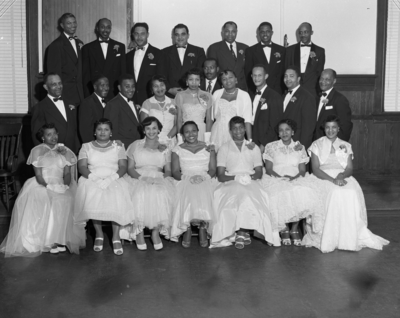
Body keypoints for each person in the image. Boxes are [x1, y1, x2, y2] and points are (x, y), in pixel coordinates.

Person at [303, 115, 389, 253]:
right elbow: (316, 169)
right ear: (324, 129)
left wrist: (341, 176)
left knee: (351, 192)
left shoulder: (345, 145)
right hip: (322, 177)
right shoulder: (316, 145)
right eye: (327, 127)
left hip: (342, 175)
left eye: (334, 128)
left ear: (338, 129)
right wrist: (333, 180)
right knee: (335, 192)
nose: (330, 131)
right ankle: (330, 236)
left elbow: (349, 168)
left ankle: (349, 237)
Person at [0, 124, 84, 257]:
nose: (53, 137)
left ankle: (60, 239)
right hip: (42, 183)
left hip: (60, 182)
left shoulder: (64, 150)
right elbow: (38, 175)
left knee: (66, 198)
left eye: (54, 133)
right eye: (49, 134)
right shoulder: (37, 151)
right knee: (48, 199)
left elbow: (67, 174)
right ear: (43, 137)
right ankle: (48, 241)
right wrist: (48, 186)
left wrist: (66, 185)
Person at [210, 116, 279, 249]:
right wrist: (235, 178)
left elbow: (259, 171)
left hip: (250, 179)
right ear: (230, 131)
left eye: (241, 128)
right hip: (230, 180)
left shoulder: (253, 148)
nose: (238, 131)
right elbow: (220, 175)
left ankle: (243, 231)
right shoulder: (224, 148)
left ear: (245, 129)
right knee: (234, 199)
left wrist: (250, 178)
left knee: (251, 197)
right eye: (234, 129)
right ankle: (239, 231)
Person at [74, 118, 135, 256]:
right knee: (92, 193)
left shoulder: (118, 146)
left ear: (111, 132)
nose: (103, 132)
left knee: (117, 194)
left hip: (113, 177)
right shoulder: (86, 146)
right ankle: (99, 234)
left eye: (106, 129)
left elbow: (123, 166)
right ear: (94, 132)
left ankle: (115, 236)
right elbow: (82, 166)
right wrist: (94, 178)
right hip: (92, 177)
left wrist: (111, 179)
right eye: (99, 129)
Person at [262, 119, 321, 246]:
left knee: (302, 192)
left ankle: (294, 229)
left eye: (287, 130)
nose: (284, 133)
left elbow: (302, 170)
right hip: (275, 178)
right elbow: (268, 169)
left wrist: (294, 178)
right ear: (278, 133)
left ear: (292, 132)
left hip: (296, 177)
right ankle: (283, 228)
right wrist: (281, 178)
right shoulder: (271, 146)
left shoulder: (299, 147)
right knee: (279, 192)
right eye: (281, 130)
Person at [119, 117, 175, 251]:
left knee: (160, 192)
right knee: (140, 193)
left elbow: (168, 170)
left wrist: (161, 180)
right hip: (138, 176)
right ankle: (139, 232)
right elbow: (130, 168)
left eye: (154, 128)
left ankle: (155, 232)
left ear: (159, 129)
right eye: (148, 128)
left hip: (158, 175)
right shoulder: (135, 145)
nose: (151, 131)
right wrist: (142, 179)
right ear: (143, 130)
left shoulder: (165, 147)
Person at [170, 121, 217, 247]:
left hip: (204, 177)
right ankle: (187, 228)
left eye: (194, 131)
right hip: (185, 178)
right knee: (187, 191)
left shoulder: (209, 147)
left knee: (204, 189)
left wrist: (204, 177)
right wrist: (187, 178)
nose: (191, 134)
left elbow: (213, 169)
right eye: (187, 131)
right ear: (183, 134)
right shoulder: (177, 149)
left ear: (198, 131)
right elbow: (175, 172)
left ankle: (202, 227)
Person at [31, 73, 80, 153]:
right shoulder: (40, 108)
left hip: (72, 152)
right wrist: (46, 155)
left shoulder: (71, 104)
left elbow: (76, 130)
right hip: (52, 154)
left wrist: (78, 150)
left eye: (60, 83)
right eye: (54, 84)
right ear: (46, 87)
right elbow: (36, 136)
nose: (58, 87)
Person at [82, 18, 126, 99]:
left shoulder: (121, 47)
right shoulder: (87, 48)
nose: (105, 30)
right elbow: (86, 76)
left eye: (108, 27)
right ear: (97, 28)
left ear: (111, 29)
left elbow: (123, 73)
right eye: (102, 27)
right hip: (95, 92)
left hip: (114, 93)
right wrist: (88, 97)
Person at [46, 13, 84, 105]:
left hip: (80, 92)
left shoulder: (79, 42)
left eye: (74, 22)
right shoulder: (55, 45)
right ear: (62, 26)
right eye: (69, 23)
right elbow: (54, 74)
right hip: (66, 93)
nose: (73, 25)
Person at [210, 70, 252, 151]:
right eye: (224, 79)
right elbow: (211, 118)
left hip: (235, 132)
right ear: (221, 82)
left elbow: (247, 120)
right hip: (217, 132)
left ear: (236, 80)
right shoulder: (216, 93)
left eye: (230, 77)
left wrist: (249, 140)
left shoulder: (244, 95)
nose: (228, 81)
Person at [126, 23, 166, 106]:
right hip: (131, 100)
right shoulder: (127, 56)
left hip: (151, 100)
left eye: (142, 34)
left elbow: (161, 79)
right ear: (133, 35)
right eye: (136, 34)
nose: (139, 37)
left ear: (147, 34)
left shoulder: (159, 54)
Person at [162, 24, 206, 97]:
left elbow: (201, 75)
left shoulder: (199, 51)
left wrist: (191, 91)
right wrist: (169, 90)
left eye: (183, 34)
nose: (180, 37)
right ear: (173, 36)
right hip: (171, 95)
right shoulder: (164, 52)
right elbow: (161, 74)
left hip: (193, 95)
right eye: (177, 35)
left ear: (188, 35)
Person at [285, 22, 325, 98]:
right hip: (294, 89)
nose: (303, 35)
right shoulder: (290, 50)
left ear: (311, 32)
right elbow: (286, 70)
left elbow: (319, 72)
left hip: (312, 92)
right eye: (301, 32)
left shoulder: (320, 51)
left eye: (306, 32)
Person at [245, 22, 286, 94]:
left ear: (272, 33)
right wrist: (253, 93)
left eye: (268, 32)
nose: (265, 34)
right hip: (258, 90)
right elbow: (248, 74)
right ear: (258, 34)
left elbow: (283, 72)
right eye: (262, 32)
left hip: (277, 91)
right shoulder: (250, 51)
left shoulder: (282, 50)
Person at [251, 64, 283, 153]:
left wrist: (264, 144)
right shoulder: (251, 95)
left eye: (260, 75)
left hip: (266, 144)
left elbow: (275, 125)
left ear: (266, 76)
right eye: (254, 75)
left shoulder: (274, 96)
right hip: (253, 141)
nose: (256, 78)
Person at [207, 21, 248, 91]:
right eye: (227, 31)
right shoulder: (214, 48)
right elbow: (212, 72)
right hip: (222, 88)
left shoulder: (245, 48)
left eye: (233, 31)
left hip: (242, 88)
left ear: (236, 32)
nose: (230, 34)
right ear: (222, 32)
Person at [283, 66, 316, 150]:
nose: (287, 79)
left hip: (297, 145)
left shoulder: (307, 97)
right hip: (283, 144)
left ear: (298, 79)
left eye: (291, 76)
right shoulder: (283, 95)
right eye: (286, 76)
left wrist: (302, 146)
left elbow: (308, 127)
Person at [104, 74, 142, 147]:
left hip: (137, 145)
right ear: (119, 88)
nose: (131, 89)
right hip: (123, 146)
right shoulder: (112, 104)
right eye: (127, 86)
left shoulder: (132, 102)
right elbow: (111, 130)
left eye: (133, 86)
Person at [140, 75, 177, 149]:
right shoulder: (147, 103)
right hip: (152, 141)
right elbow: (145, 126)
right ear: (151, 89)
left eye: (162, 85)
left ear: (166, 86)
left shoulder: (174, 102)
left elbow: (177, 124)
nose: (159, 88)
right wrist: (157, 142)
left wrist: (166, 139)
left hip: (171, 140)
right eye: (155, 86)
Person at [315, 69, 353, 141]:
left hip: (331, 143)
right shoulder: (316, 98)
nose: (323, 82)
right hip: (317, 143)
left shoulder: (340, 99)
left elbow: (346, 126)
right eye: (321, 78)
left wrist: (337, 145)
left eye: (327, 79)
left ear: (334, 81)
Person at [176, 68, 212, 142]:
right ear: (186, 81)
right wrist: (180, 137)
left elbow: (208, 119)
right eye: (191, 79)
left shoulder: (207, 95)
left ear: (200, 81)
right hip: (186, 131)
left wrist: (208, 137)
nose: (194, 82)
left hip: (202, 131)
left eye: (197, 80)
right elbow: (179, 119)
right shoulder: (180, 95)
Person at [79, 75, 109, 143]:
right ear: (95, 87)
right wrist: (92, 148)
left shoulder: (109, 102)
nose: (106, 88)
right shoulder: (87, 103)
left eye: (107, 85)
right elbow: (85, 131)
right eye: (103, 85)